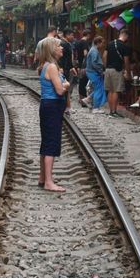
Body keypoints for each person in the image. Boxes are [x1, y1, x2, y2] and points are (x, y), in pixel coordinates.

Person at [37, 37, 69, 193]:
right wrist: (67, 84)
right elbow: (60, 90)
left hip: (47, 106)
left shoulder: (47, 66)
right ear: (52, 50)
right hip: (52, 107)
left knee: (46, 141)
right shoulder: (52, 67)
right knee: (52, 143)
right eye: (59, 46)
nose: (61, 48)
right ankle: (49, 182)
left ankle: (42, 177)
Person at [103, 29, 131, 118]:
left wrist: (106, 66)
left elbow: (104, 56)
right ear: (126, 36)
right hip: (117, 70)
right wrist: (127, 72)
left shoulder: (110, 43)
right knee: (115, 91)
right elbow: (126, 61)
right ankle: (114, 111)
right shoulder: (124, 46)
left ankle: (111, 111)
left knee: (110, 91)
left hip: (108, 70)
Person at [83, 36, 107, 113]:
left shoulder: (93, 50)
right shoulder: (94, 51)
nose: (103, 45)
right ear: (98, 43)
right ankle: (96, 107)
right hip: (93, 72)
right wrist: (100, 71)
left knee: (99, 88)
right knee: (98, 89)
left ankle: (88, 99)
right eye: (102, 43)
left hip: (92, 72)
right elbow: (94, 63)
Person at [59, 28, 76, 114]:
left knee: (66, 88)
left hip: (66, 68)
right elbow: (63, 58)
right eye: (72, 35)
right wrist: (63, 67)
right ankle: (65, 107)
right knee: (65, 87)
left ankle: (66, 106)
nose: (73, 37)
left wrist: (72, 67)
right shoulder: (65, 44)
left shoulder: (64, 43)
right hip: (64, 69)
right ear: (67, 35)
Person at [74, 29, 92, 107]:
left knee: (81, 82)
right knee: (85, 82)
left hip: (80, 65)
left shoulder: (78, 42)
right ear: (88, 35)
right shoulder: (84, 42)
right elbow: (85, 53)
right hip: (85, 66)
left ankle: (81, 99)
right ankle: (84, 100)